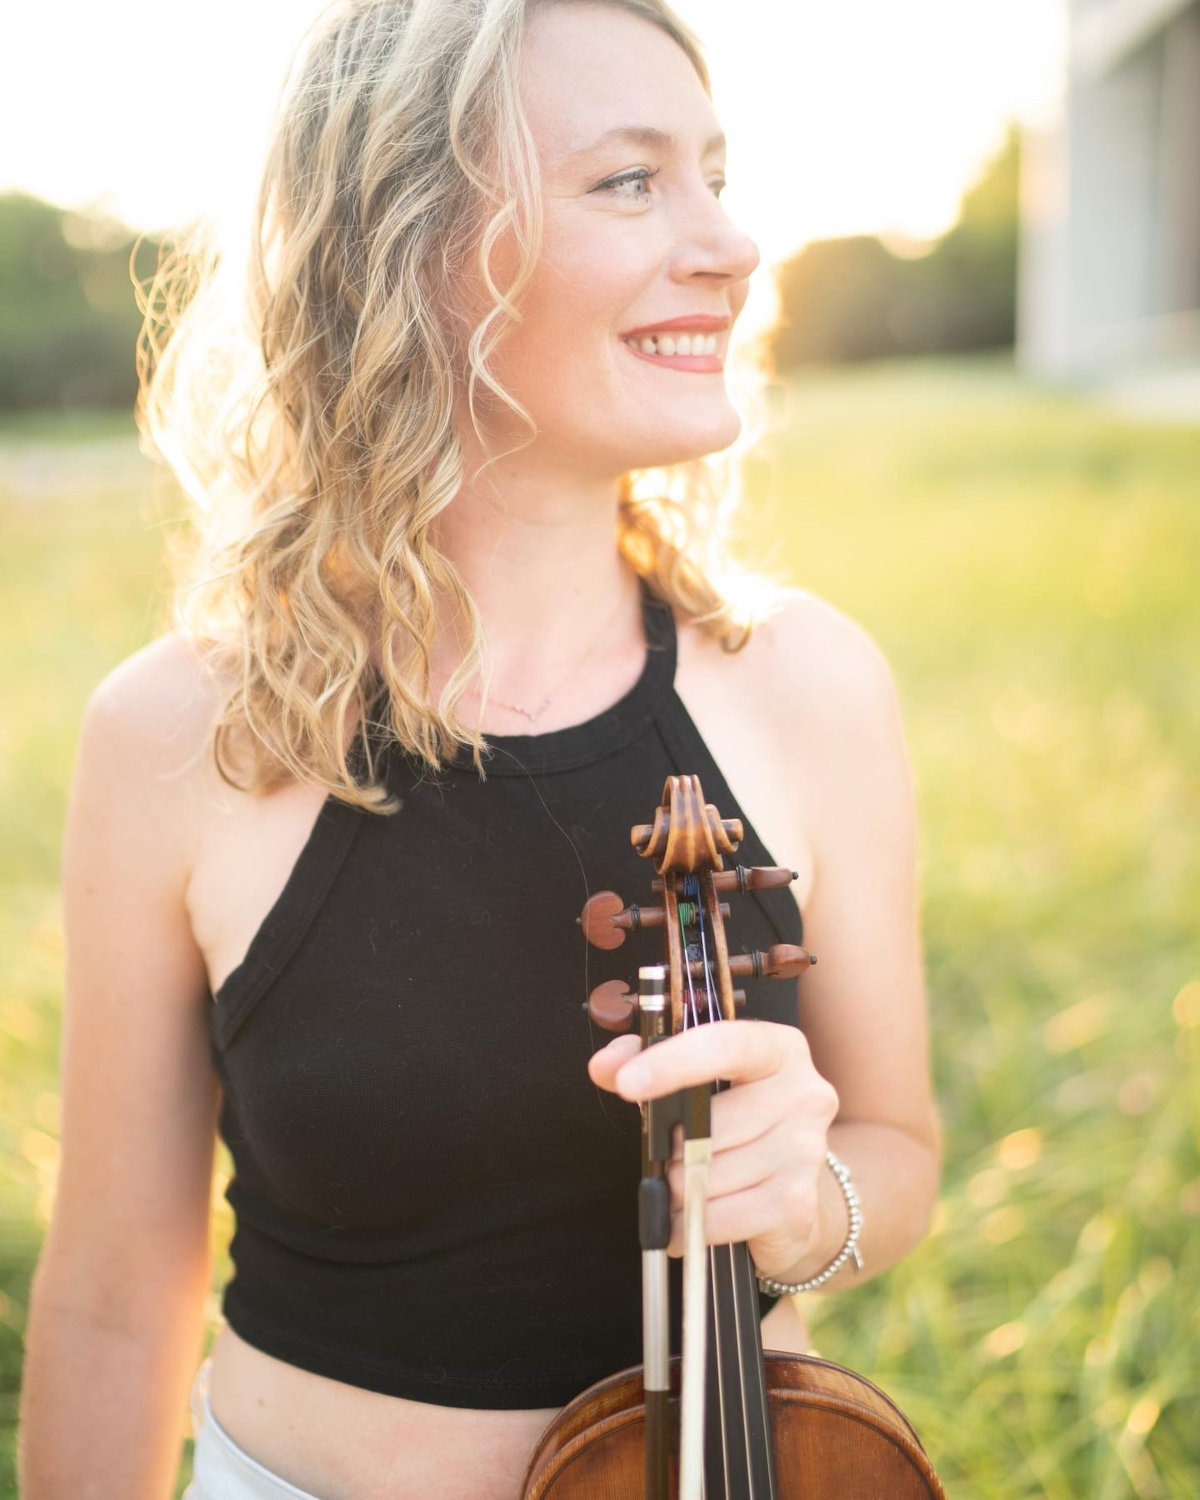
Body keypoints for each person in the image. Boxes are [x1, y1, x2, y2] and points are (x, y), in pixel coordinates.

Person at [18, 0, 942, 1496]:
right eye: (630, 180)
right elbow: (118, 1291)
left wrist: (812, 1202)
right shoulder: (178, 734)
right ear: (408, 243)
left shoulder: (811, 686)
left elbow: (894, 1146)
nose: (731, 241)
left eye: (716, 170)